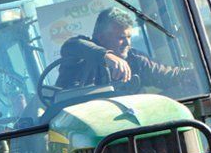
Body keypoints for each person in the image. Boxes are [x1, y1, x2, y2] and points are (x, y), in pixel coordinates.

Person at [56, 7, 191, 91]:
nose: (127, 42)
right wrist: (107, 56)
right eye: (121, 37)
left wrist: (199, 74)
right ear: (101, 37)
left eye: (129, 36)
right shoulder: (79, 55)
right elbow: (73, 45)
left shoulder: (135, 60)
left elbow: (169, 75)